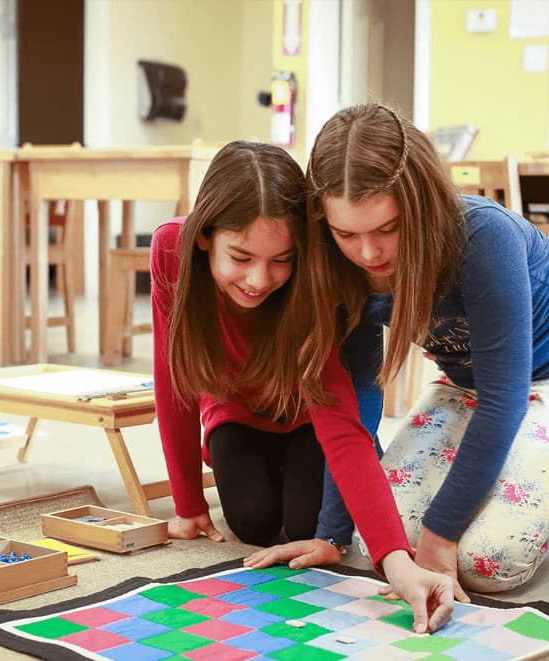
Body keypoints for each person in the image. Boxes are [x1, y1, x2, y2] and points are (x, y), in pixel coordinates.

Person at [251, 104, 549, 599]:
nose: (369, 254)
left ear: (419, 203)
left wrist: (442, 537)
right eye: (346, 234)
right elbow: (351, 407)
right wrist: (332, 533)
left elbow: (504, 398)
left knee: (484, 562)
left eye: (387, 229)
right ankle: (517, 476)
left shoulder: (484, 234)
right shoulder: (337, 263)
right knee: (380, 537)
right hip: (463, 386)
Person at [151, 140, 453, 632]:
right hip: (237, 413)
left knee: (308, 528)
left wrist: (395, 562)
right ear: (205, 236)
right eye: (241, 256)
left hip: (311, 416)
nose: (258, 279)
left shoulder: (316, 275)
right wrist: (187, 505)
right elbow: (172, 379)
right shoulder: (171, 249)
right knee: (250, 523)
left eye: (280, 260)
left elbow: (342, 423)